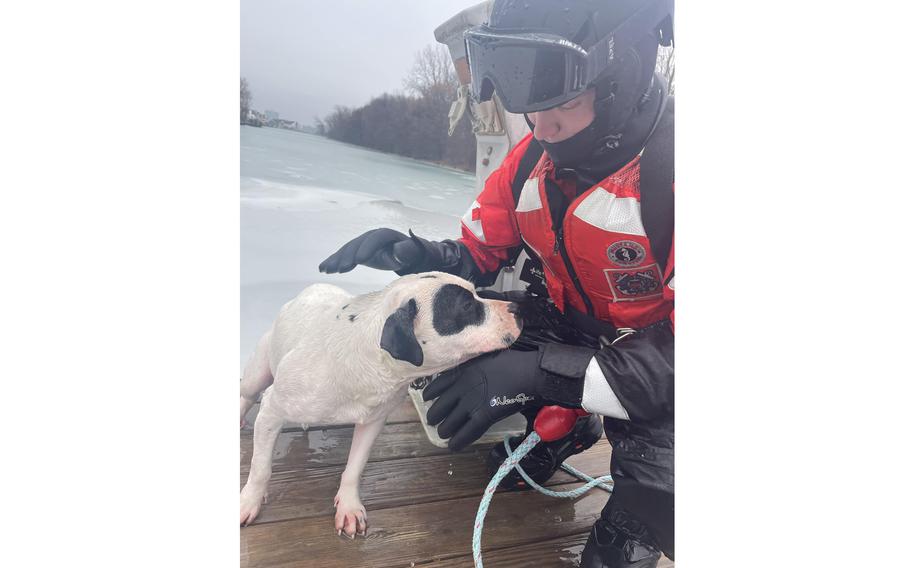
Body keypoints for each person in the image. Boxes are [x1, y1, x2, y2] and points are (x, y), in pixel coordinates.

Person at [319, 1, 674, 566]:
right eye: (530, 106)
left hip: (664, 357)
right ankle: (561, 432)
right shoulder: (534, 156)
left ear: (622, 78)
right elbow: (484, 251)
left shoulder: (674, 171)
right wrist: (417, 253)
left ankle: (639, 513)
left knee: (671, 465)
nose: (541, 124)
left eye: (564, 103)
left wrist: (538, 371)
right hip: (575, 323)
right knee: (472, 327)